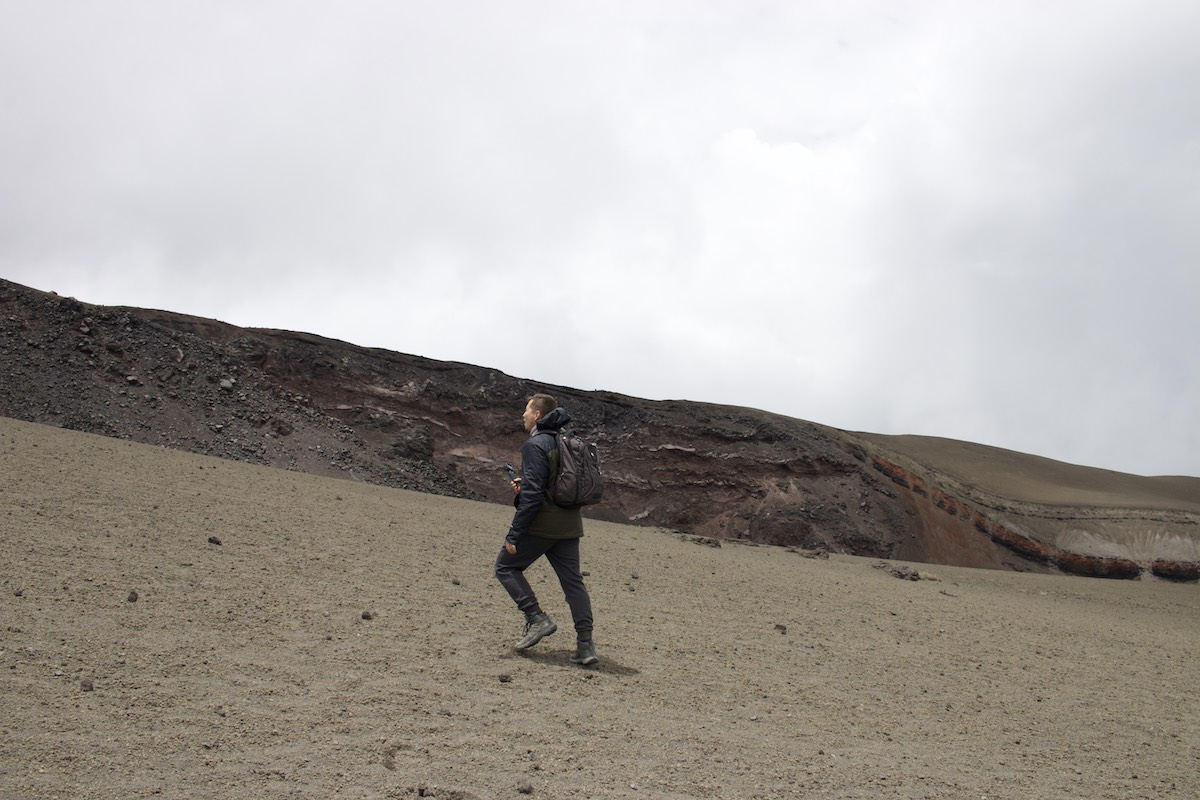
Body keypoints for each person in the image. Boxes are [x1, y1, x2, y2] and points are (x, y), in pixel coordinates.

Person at [494, 393, 598, 666]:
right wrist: (524, 485)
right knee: (573, 583)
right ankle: (586, 646)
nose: (523, 416)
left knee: (505, 567)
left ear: (537, 415)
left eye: (526, 411)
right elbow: (550, 485)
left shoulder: (535, 444)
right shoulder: (567, 443)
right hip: (570, 527)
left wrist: (514, 535)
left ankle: (536, 618)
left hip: (542, 526)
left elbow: (533, 497)